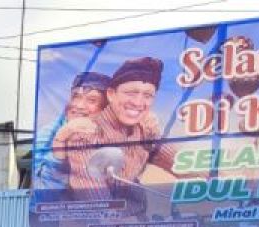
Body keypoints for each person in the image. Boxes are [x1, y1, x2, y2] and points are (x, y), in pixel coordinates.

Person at [60, 57, 178, 205]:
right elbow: (98, 202)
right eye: (131, 93)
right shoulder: (83, 135)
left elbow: (182, 163)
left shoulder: (144, 128)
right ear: (111, 95)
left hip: (137, 217)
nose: (138, 102)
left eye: (147, 95)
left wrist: (212, 174)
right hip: (90, 224)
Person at [33, 71, 110, 191]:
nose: (79, 105)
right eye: (76, 97)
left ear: (105, 109)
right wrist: (61, 140)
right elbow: (44, 194)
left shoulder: (113, 134)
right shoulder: (47, 135)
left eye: (91, 100)